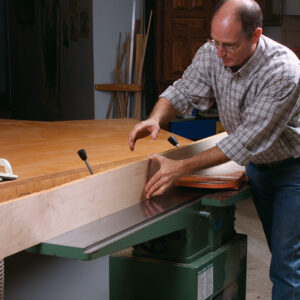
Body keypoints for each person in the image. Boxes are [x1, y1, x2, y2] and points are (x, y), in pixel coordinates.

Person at [128, 0, 300, 298]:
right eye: (214, 41)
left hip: (293, 170)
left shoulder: (284, 71)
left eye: (229, 46)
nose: (219, 53)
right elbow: (183, 90)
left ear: (255, 36)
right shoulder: (214, 51)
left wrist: (179, 167)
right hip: (259, 167)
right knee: (283, 253)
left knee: (287, 268)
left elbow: (244, 140)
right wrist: (156, 117)